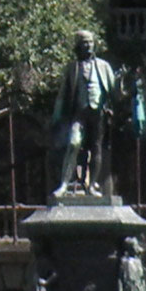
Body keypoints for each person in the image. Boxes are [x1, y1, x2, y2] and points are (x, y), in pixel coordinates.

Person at [51, 30, 117, 198]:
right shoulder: (72, 68)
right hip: (78, 113)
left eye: (90, 42)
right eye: (85, 43)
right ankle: (64, 185)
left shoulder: (103, 66)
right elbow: (62, 94)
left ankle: (92, 185)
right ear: (78, 46)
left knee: (96, 149)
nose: (88, 45)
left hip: (98, 113)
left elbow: (116, 91)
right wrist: (56, 116)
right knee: (73, 144)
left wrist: (131, 85)